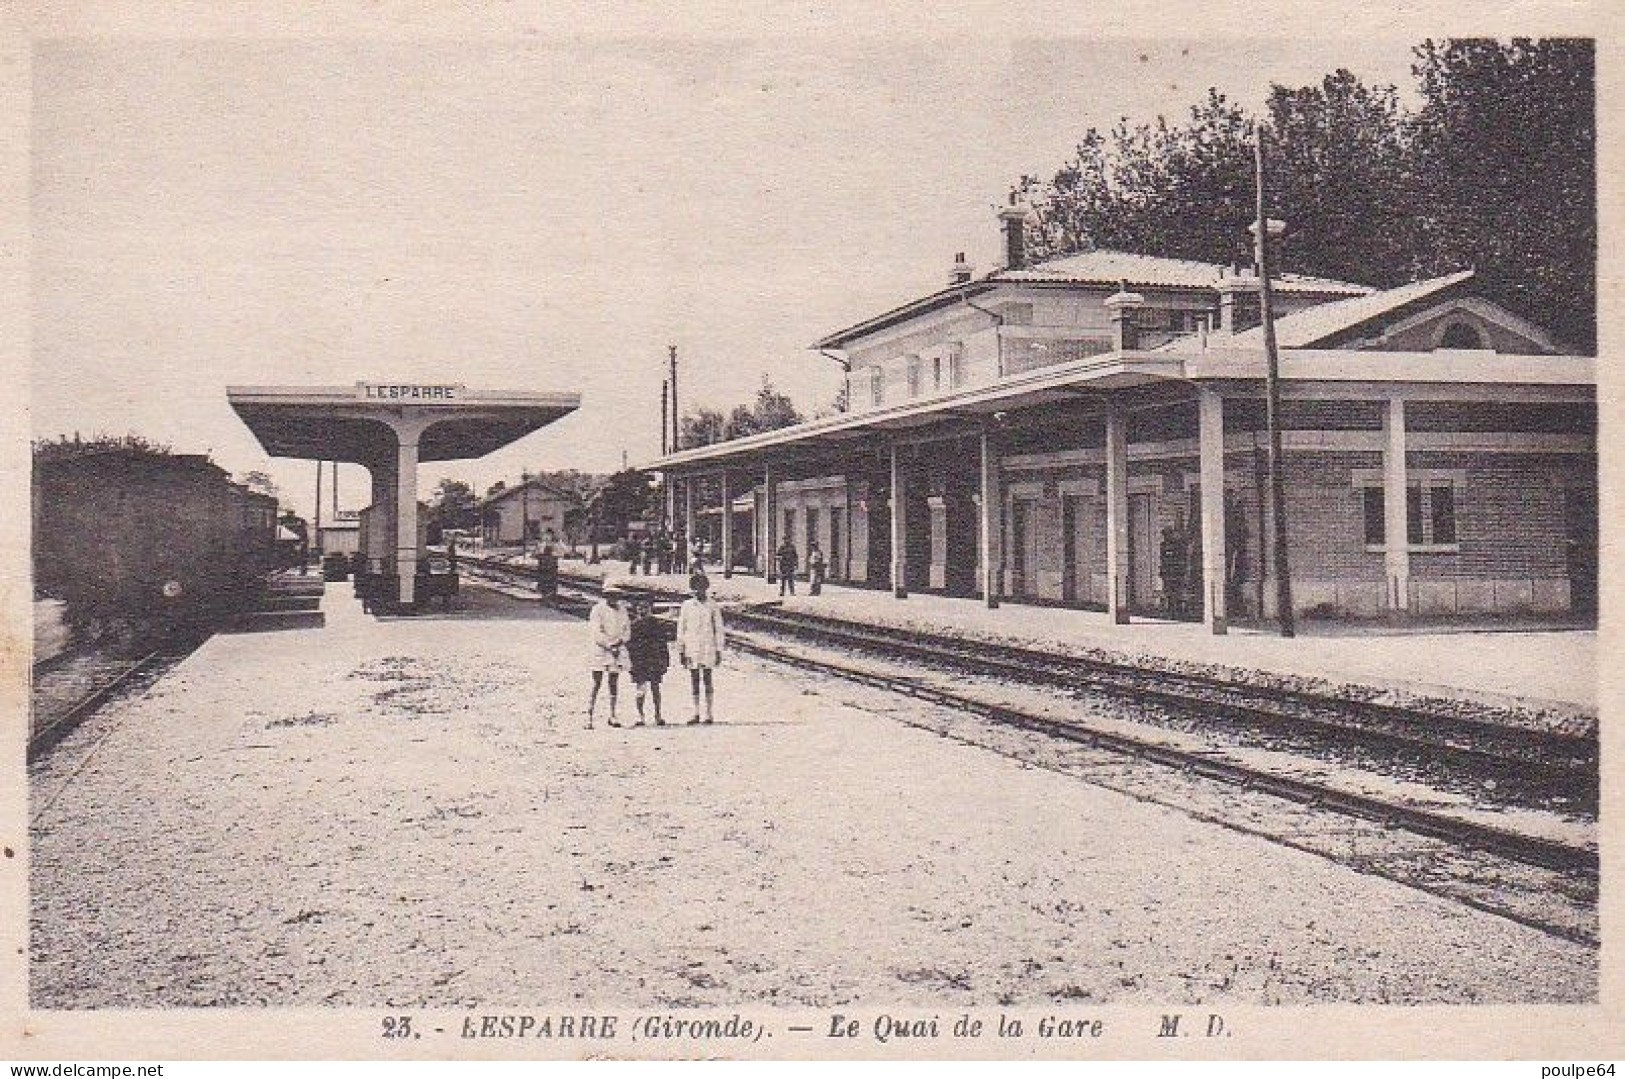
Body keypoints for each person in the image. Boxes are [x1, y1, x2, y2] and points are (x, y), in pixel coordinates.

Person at [676, 574, 725, 725]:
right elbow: (681, 629)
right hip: (692, 647)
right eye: (695, 589)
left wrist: (718, 649)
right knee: (694, 679)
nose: (698, 591)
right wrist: (681, 650)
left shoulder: (712, 605)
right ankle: (695, 712)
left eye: (701, 588)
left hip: (708, 646)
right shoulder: (687, 605)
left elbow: (718, 628)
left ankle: (709, 713)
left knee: (708, 679)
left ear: (706, 588)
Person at [586, 583, 631, 728]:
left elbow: (626, 630)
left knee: (613, 682)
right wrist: (609, 645)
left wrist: (619, 642)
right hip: (601, 649)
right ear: (605, 595)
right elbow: (596, 632)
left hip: (617, 649)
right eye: (610, 595)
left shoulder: (622, 609)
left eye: (616, 595)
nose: (614, 598)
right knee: (596, 682)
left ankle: (612, 715)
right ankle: (589, 715)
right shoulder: (598, 610)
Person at [626, 598, 669, 727]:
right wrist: (630, 662)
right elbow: (629, 645)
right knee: (641, 689)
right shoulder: (633, 626)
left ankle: (658, 715)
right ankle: (640, 716)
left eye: (646, 607)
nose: (643, 610)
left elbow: (663, 644)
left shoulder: (657, 624)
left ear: (650, 609)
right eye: (640, 607)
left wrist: (665, 660)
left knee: (655, 688)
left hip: (654, 659)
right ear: (636, 609)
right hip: (639, 660)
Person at [1159, 525, 1188, 620]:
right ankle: (1171, 612)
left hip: (1176, 572)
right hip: (1168, 573)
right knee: (1169, 593)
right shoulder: (1163, 545)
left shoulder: (1178, 545)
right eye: (1165, 535)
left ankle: (1179, 612)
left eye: (1167, 534)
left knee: (1177, 593)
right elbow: (1162, 559)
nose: (1166, 537)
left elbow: (1182, 558)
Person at [535, 538, 559, 604]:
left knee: (545, 585)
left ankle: (547, 597)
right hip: (550, 577)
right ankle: (549, 597)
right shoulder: (553, 558)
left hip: (546, 576)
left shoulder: (542, 558)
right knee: (549, 586)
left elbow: (540, 567)